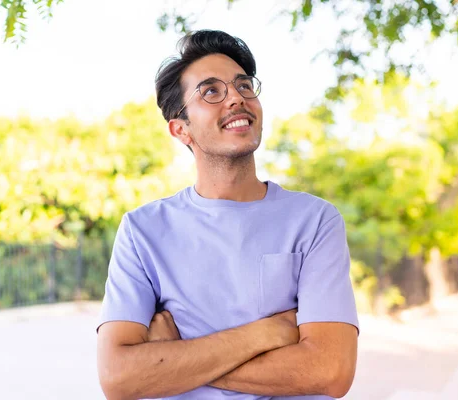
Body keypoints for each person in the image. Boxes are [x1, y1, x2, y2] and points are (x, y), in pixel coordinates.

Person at [96, 30, 359, 400]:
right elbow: (118, 378)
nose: (237, 97)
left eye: (244, 85)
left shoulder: (315, 221)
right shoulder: (142, 231)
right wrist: (263, 335)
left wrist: (176, 358)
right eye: (211, 91)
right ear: (181, 129)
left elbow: (331, 371)